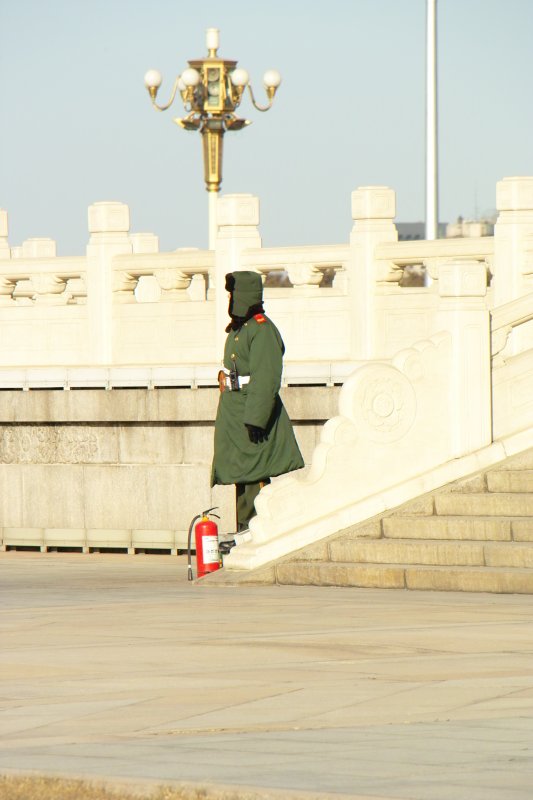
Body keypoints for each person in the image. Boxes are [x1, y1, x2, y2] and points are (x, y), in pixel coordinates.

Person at [211, 271, 304, 539]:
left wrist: (256, 418)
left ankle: (258, 531)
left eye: (232, 294)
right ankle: (245, 530)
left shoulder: (262, 329)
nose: (229, 299)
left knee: (256, 474)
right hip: (237, 411)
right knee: (243, 474)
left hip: (251, 414)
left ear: (243, 296)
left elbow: (266, 376)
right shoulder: (242, 328)